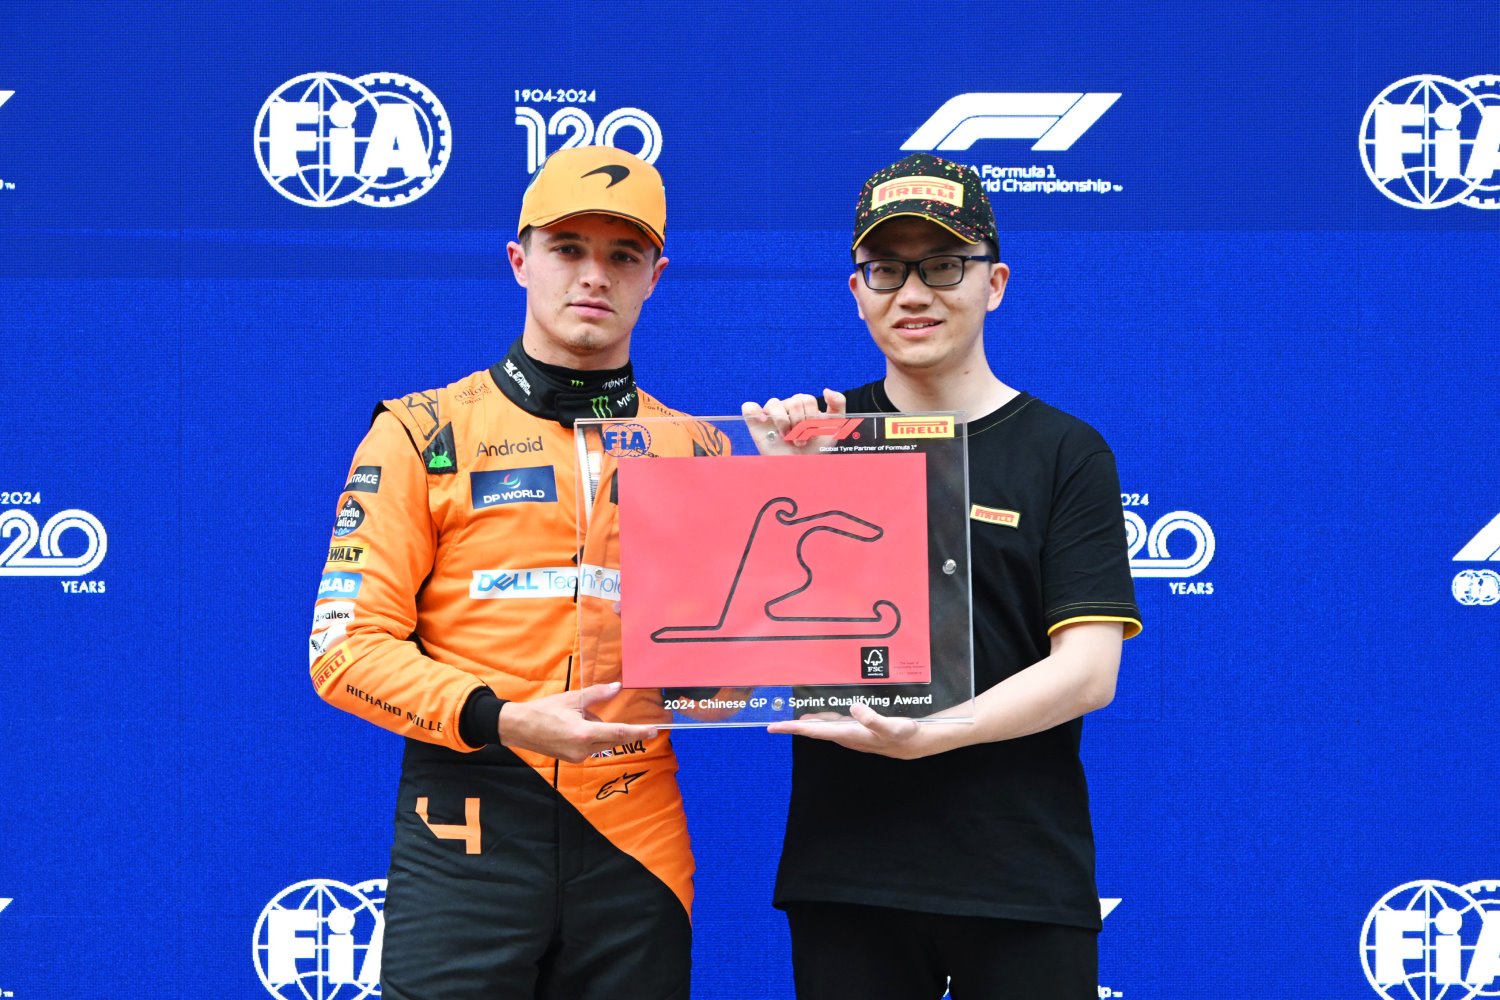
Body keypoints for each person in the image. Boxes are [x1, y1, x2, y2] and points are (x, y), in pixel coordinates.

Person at [309, 145, 715, 1000]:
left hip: (635, 837)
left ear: (656, 276)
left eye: (623, 255)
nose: (593, 276)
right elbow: (343, 651)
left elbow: (742, 664)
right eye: (568, 248)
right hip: (468, 824)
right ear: (519, 260)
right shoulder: (422, 433)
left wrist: (803, 469)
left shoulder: (702, 448)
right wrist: (503, 719)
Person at [743, 152, 1142, 999]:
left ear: (994, 282)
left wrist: (931, 735)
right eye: (886, 269)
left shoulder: (1065, 451)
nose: (913, 293)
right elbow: (751, 648)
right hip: (850, 870)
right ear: (857, 289)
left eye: (944, 266)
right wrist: (777, 487)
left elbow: (1089, 671)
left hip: (1022, 875)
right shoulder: (815, 440)